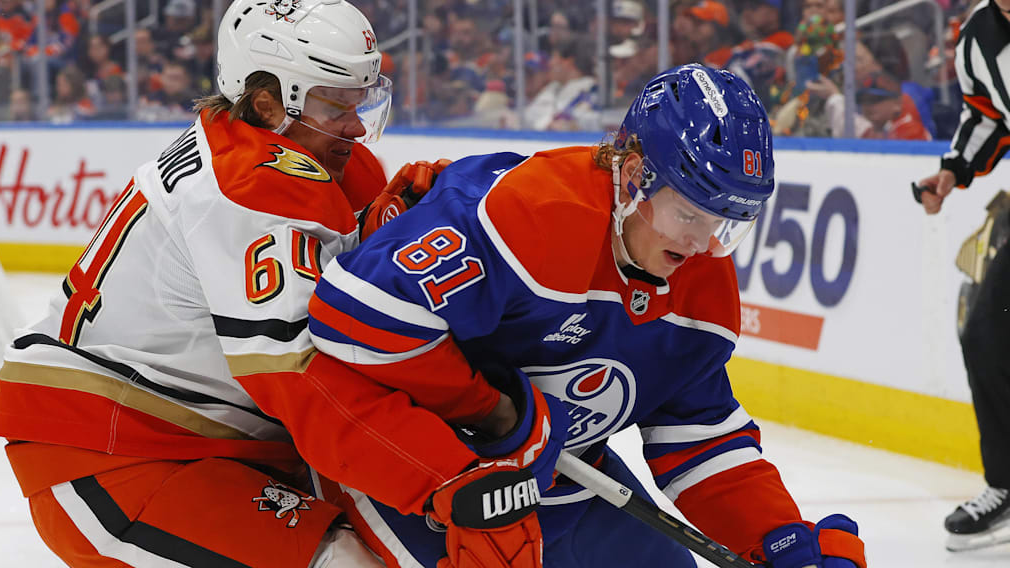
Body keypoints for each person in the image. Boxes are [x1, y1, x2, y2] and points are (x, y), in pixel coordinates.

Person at [305, 64, 867, 567]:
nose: (701, 244)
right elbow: (351, 320)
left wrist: (775, 536)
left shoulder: (702, 284)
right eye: (689, 215)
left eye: (725, 224)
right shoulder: (531, 215)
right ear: (635, 175)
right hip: (432, 470)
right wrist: (496, 412)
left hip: (565, 481)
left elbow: (699, 438)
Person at [0, 0, 459, 568]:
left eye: (359, 103)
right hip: (122, 461)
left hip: (206, 447)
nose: (357, 127)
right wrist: (447, 471)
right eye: (336, 106)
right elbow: (301, 375)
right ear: (267, 104)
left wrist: (385, 230)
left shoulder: (293, 159)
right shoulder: (253, 185)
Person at [914, 0, 1010, 551]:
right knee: (986, 334)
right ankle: (1006, 483)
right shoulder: (977, 36)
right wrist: (952, 171)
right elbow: (988, 115)